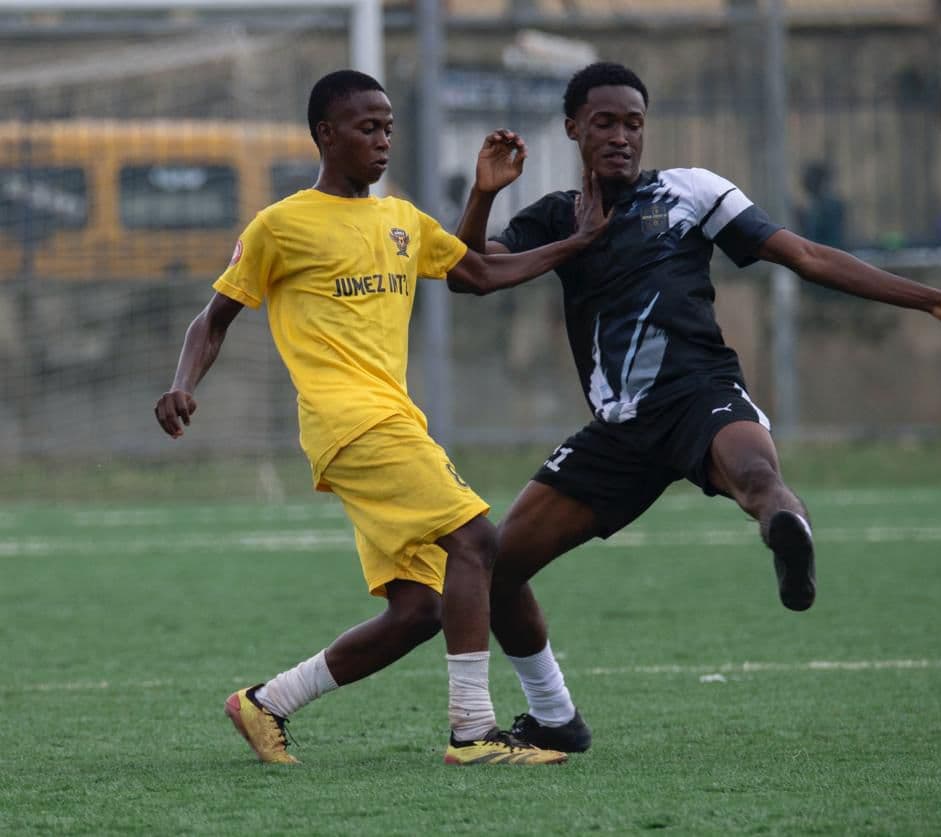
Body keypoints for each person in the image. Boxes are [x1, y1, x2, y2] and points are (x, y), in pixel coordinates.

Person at [452, 62, 941, 753]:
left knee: (758, 479)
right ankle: (554, 717)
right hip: (620, 429)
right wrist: (483, 196)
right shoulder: (551, 216)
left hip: (700, 394)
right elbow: (468, 273)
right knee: (497, 567)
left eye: (634, 122)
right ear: (573, 128)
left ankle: (788, 535)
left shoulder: (691, 192)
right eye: (605, 122)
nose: (622, 136)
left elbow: (805, 255)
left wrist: (930, 298)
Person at [153, 69, 607, 766]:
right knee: (478, 542)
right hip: (350, 423)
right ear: (325, 134)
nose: (383, 139)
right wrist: (182, 383)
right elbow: (212, 319)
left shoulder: (399, 217)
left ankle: (267, 701)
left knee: (422, 607)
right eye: (368, 127)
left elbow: (474, 273)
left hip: (393, 422)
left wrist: (488, 196)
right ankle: (473, 734)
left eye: (389, 126)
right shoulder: (281, 224)